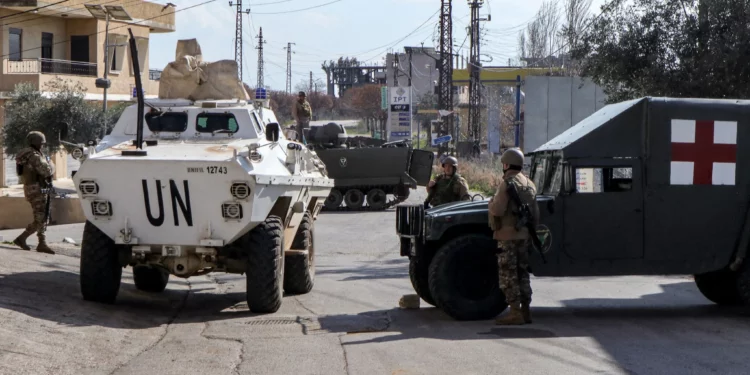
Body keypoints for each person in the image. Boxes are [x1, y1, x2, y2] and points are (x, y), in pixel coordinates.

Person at [487, 148, 538, 325]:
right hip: (524, 235)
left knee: (508, 274)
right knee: (522, 272)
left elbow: (498, 209)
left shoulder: (507, 183)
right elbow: (535, 215)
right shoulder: (529, 183)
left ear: (506, 164)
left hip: (507, 237)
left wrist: (490, 204)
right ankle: (526, 310)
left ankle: (515, 312)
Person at [13, 131, 55, 255]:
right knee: (41, 217)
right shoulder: (34, 156)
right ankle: (28, 240)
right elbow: (46, 171)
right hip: (37, 189)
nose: (42, 146)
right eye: (41, 143)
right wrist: (52, 164)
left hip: (30, 188)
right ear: (36, 143)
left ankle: (37, 241)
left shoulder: (24, 154)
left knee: (42, 215)